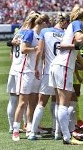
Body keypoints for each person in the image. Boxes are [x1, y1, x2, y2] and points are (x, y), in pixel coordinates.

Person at [49, 5, 83, 145]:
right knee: (64, 103)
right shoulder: (76, 24)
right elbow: (80, 39)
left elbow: (76, 46)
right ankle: (67, 137)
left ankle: (59, 132)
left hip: (59, 65)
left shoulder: (70, 27)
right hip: (63, 66)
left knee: (59, 102)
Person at [27, 12, 70, 140]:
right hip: (61, 70)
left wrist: (36, 67)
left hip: (48, 71)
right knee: (58, 102)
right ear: (65, 22)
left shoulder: (45, 31)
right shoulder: (66, 34)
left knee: (41, 103)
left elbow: (39, 51)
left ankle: (32, 132)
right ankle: (57, 132)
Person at [11, 12, 49, 141]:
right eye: (46, 23)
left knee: (33, 103)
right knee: (22, 102)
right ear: (42, 23)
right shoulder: (30, 33)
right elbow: (23, 49)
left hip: (36, 71)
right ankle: (15, 130)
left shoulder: (39, 35)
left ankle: (30, 127)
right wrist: (36, 49)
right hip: (26, 71)